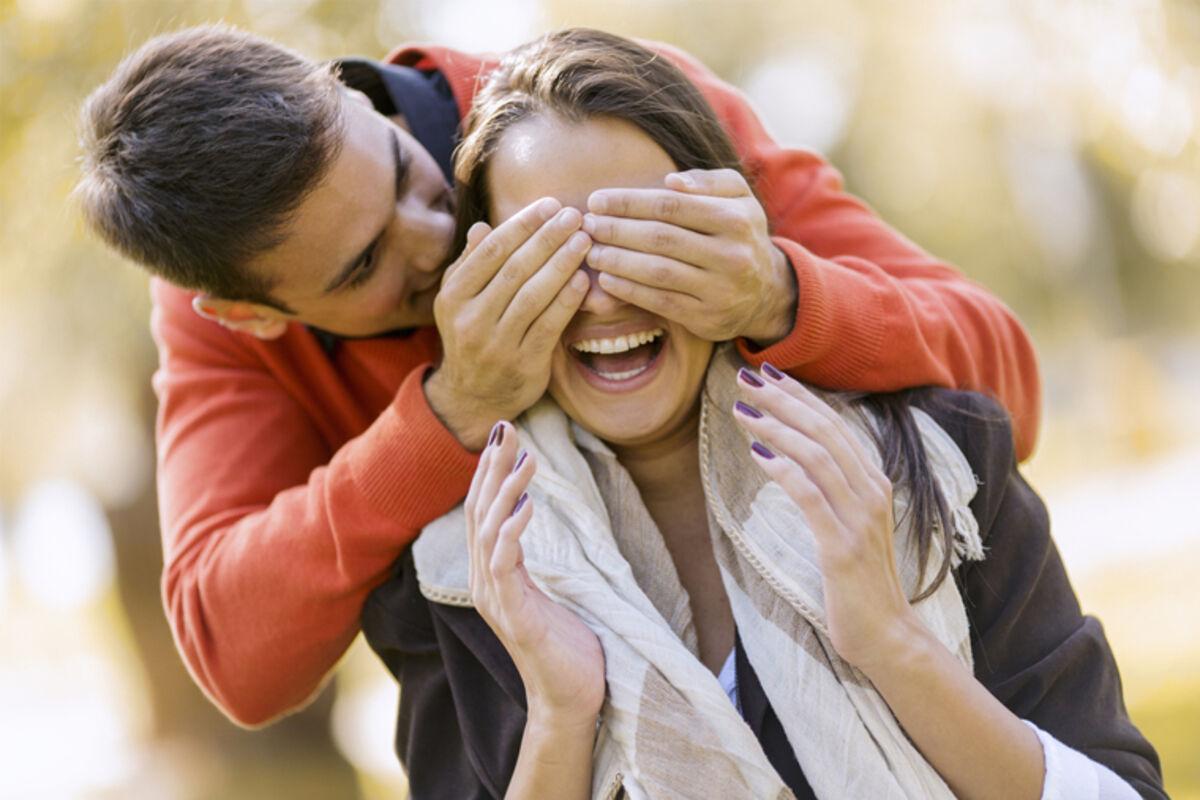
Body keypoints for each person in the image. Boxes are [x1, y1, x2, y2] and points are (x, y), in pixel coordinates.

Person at [75, 24, 1041, 726]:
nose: (437, 240)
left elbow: (1008, 387)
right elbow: (235, 658)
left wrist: (781, 295)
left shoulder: (611, 119)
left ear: (350, 95)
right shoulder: (228, 331)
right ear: (252, 312)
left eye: (405, 173)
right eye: (365, 266)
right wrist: (447, 416)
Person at [360, 29, 1164, 800]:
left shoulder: (932, 458)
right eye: (548, 254)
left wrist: (893, 646)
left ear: (731, 229)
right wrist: (561, 718)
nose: (603, 297)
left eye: (646, 238)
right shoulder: (451, 586)